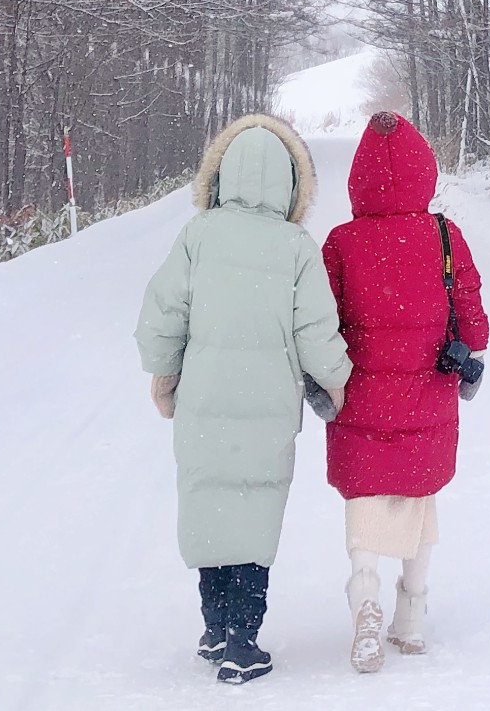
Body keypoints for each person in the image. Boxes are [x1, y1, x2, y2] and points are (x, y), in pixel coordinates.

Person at [134, 113, 350, 685]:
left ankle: (212, 626)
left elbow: (162, 313)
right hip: (269, 405)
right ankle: (241, 640)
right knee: (255, 509)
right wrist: (335, 380)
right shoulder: (296, 246)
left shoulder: (197, 237)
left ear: (221, 175)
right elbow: (317, 331)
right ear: (289, 184)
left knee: (210, 504)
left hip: (204, 398)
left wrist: (163, 375)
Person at [322, 110, 490, 674]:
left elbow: (323, 320)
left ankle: (364, 599)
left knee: (367, 496)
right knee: (418, 494)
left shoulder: (342, 242)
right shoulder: (444, 233)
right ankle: (411, 618)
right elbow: (468, 304)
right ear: (424, 169)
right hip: (428, 392)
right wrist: (473, 352)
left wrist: (323, 373)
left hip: (362, 393)